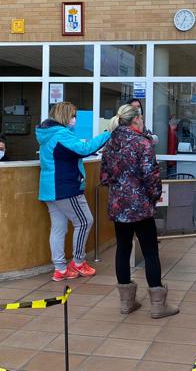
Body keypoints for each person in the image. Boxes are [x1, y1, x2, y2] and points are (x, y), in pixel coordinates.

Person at [100, 104, 179, 319]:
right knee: (150, 251)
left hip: (118, 206)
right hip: (141, 207)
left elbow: (104, 177)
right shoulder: (142, 143)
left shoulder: (110, 143)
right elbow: (151, 177)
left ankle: (126, 303)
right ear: (135, 120)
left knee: (123, 249)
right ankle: (157, 305)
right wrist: (153, 196)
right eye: (141, 119)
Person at [36, 102, 111, 281]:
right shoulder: (61, 135)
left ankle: (60, 269)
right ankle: (78, 262)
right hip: (65, 188)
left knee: (58, 228)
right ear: (64, 116)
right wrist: (108, 134)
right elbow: (85, 149)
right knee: (85, 221)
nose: (75, 119)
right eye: (73, 115)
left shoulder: (47, 135)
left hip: (50, 190)